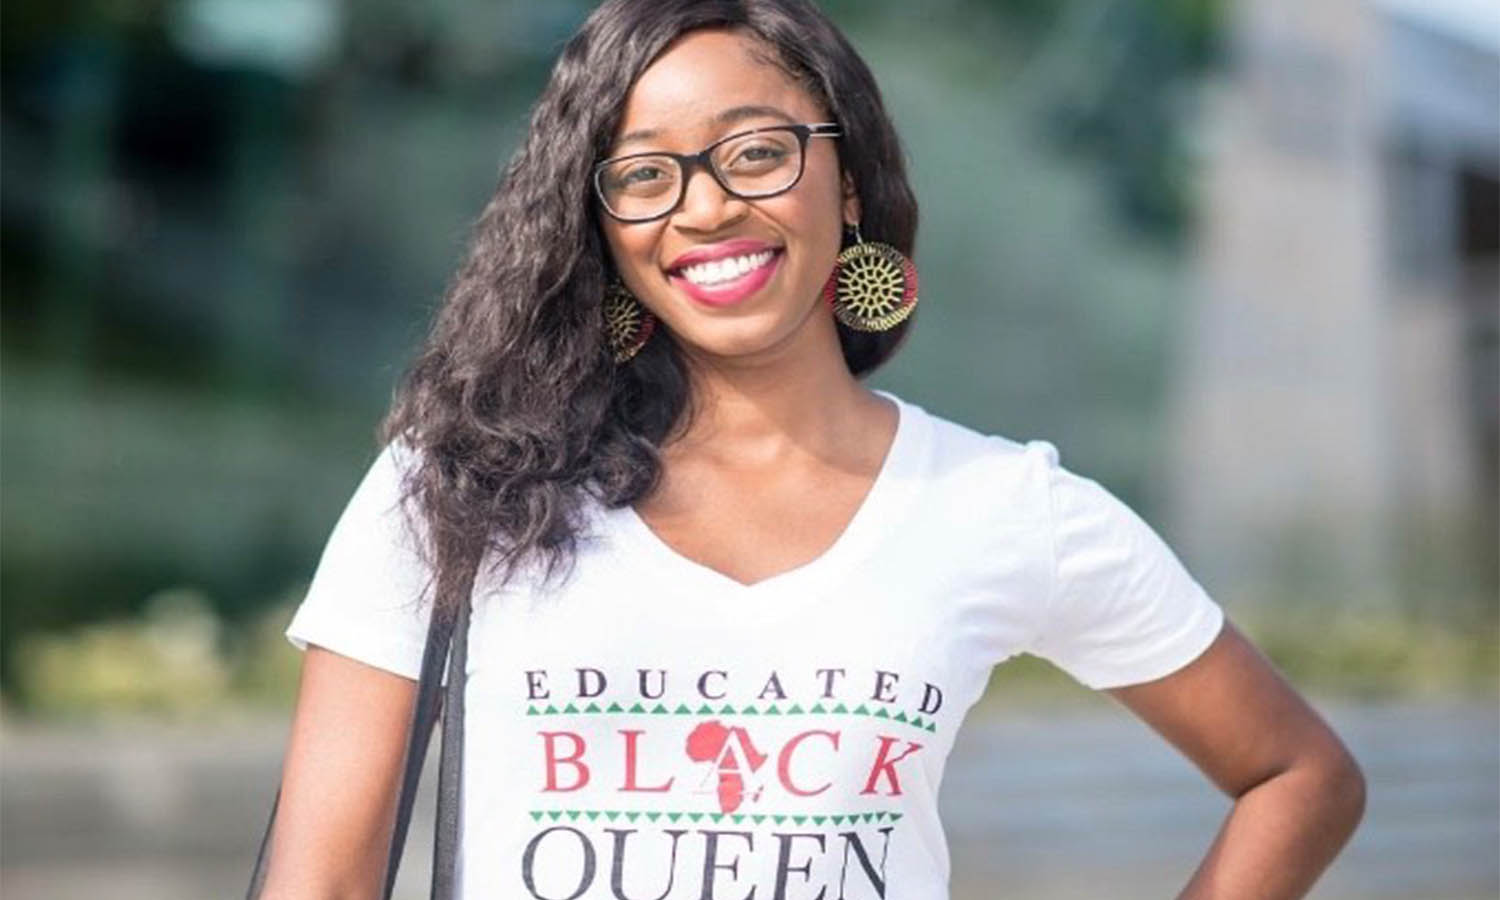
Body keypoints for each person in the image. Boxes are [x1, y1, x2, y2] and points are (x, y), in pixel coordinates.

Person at [260, 1, 1366, 897]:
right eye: (645, 174)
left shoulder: (1001, 506)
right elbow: (318, 881)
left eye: (756, 151)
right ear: (601, 229)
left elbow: (1299, 776)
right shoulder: (459, 489)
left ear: (850, 182)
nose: (703, 208)